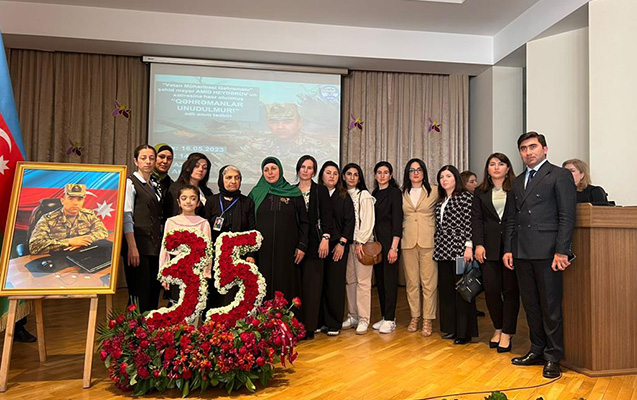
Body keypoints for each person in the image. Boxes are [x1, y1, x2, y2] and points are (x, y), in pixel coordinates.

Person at [503, 131, 577, 379]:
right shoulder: (516, 181)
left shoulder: (559, 175)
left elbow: (567, 216)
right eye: (523, 148)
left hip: (548, 252)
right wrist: (509, 249)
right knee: (531, 305)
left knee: (550, 307)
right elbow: (511, 219)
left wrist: (562, 251)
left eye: (533, 147)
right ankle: (537, 349)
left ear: (545, 149)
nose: (528, 152)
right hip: (522, 251)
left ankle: (553, 356)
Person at [472, 153, 520, 353]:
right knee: (491, 290)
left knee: (510, 290)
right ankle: (498, 327)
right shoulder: (480, 191)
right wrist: (478, 244)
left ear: (508, 168)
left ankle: (507, 332)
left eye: (501, 164)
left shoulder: (517, 188)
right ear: (487, 169)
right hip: (488, 247)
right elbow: (477, 219)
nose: (496, 167)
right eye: (492, 164)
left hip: (512, 246)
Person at [248, 157, 310, 302]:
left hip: (288, 252)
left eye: (273, 169)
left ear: (280, 170)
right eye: (266, 170)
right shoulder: (255, 193)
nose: (270, 173)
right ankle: (262, 316)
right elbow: (250, 225)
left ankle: (287, 316)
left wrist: (302, 246)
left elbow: (304, 222)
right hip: (262, 252)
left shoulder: (294, 193)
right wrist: (251, 253)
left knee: (286, 287)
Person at [434, 165, 477, 345]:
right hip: (443, 251)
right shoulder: (441, 199)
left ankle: (464, 332)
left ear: (456, 178)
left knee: (462, 290)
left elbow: (470, 223)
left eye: (448, 176)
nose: (444, 180)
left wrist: (469, 246)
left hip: (460, 250)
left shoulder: (465, 197)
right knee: (446, 291)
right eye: (442, 177)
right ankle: (451, 328)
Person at [205, 165, 256, 309]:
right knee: (215, 296)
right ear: (221, 180)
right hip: (215, 258)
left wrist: (251, 255)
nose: (233, 181)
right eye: (229, 178)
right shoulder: (212, 201)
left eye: (237, 178)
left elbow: (252, 230)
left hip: (238, 257)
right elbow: (206, 230)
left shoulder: (247, 202)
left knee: (234, 298)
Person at [295, 155, 334, 340]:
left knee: (313, 288)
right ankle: (296, 326)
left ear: (314, 171)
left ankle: (310, 327)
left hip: (316, 245)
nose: (305, 170)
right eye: (303, 167)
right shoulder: (291, 191)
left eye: (309, 168)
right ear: (298, 169)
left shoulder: (320, 190)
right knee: (298, 287)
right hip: (296, 245)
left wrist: (325, 238)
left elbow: (327, 216)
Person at [122, 145, 163, 313]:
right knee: (139, 294)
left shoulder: (155, 184)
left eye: (151, 158)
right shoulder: (130, 182)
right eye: (143, 158)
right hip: (138, 244)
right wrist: (132, 247)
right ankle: (133, 327)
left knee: (153, 291)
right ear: (135, 161)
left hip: (154, 245)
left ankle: (149, 327)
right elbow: (127, 216)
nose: (148, 162)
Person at [400, 158, 439, 337]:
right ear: (407, 174)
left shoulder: (434, 190)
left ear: (424, 172)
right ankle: (415, 316)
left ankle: (428, 319)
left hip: (428, 241)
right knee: (412, 283)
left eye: (419, 169)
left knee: (429, 283)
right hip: (408, 242)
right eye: (412, 170)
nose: (415, 173)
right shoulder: (401, 192)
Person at [318, 161, 355, 337]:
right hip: (318, 245)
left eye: (335, 173)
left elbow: (350, 221)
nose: (331, 176)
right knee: (319, 284)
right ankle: (320, 321)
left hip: (338, 246)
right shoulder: (317, 193)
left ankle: (334, 323)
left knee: (335, 285)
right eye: (328, 172)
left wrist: (342, 243)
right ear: (322, 175)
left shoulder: (343, 196)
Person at [160, 185, 212, 306]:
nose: (188, 201)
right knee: (176, 305)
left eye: (193, 198)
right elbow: (164, 250)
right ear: (178, 202)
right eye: (184, 198)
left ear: (198, 203)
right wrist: (164, 274)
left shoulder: (203, 223)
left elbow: (207, 251)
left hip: (195, 269)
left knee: (192, 305)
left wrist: (206, 272)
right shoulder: (171, 222)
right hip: (175, 268)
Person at [341, 163, 376, 335]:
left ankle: (364, 319)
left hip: (362, 244)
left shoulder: (365, 195)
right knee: (351, 281)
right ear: (344, 176)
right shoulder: (343, 195)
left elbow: (368, 221)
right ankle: (353, 315)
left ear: (360, 178)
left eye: (356, 174)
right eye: (349, 174)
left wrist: (360, 241)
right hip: (349, 244)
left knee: (363, 282)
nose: (352, 177)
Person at [29, 183, 108, 255]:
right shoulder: (48, 219)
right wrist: (69, 242)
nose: (75, 203)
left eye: (80, 199)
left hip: (81, 253)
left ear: (83, 201)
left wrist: (82, 241)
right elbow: (34, 246)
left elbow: (103, 232)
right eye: (71, 198)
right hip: (57, 256)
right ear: (62, 201)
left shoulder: (89, 215)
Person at [371, 161, 403, 334]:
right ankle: (384, 316)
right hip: (377, 245)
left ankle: (391, 319)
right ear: (375, 175)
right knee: (381, 282)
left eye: (385, 172)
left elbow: (398, 221)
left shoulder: (395, 193)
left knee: (390, 282)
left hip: (391, 243)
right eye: (379, 172)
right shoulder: (374, 193)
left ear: (390, 175)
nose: (382, 175)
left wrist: (394, 247)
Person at [164, 152, 213, 219]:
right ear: (188, 168)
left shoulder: (207, 192)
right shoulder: (176, 188)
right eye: (196, 166)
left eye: (205, 168)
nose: (201, 170)